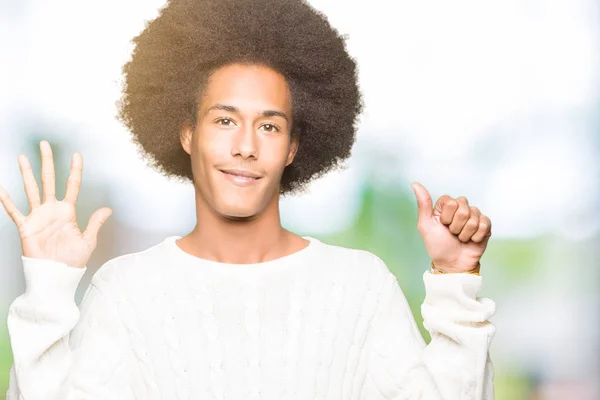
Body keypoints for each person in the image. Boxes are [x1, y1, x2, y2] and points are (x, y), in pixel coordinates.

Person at [1, 0, 496, 398]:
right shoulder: (125, 289)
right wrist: (47, 288)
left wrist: (456, 280)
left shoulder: (360, 286)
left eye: (269, 125)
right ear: (187, 133)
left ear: (293, 147)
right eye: (224, 120)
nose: (245, 145)